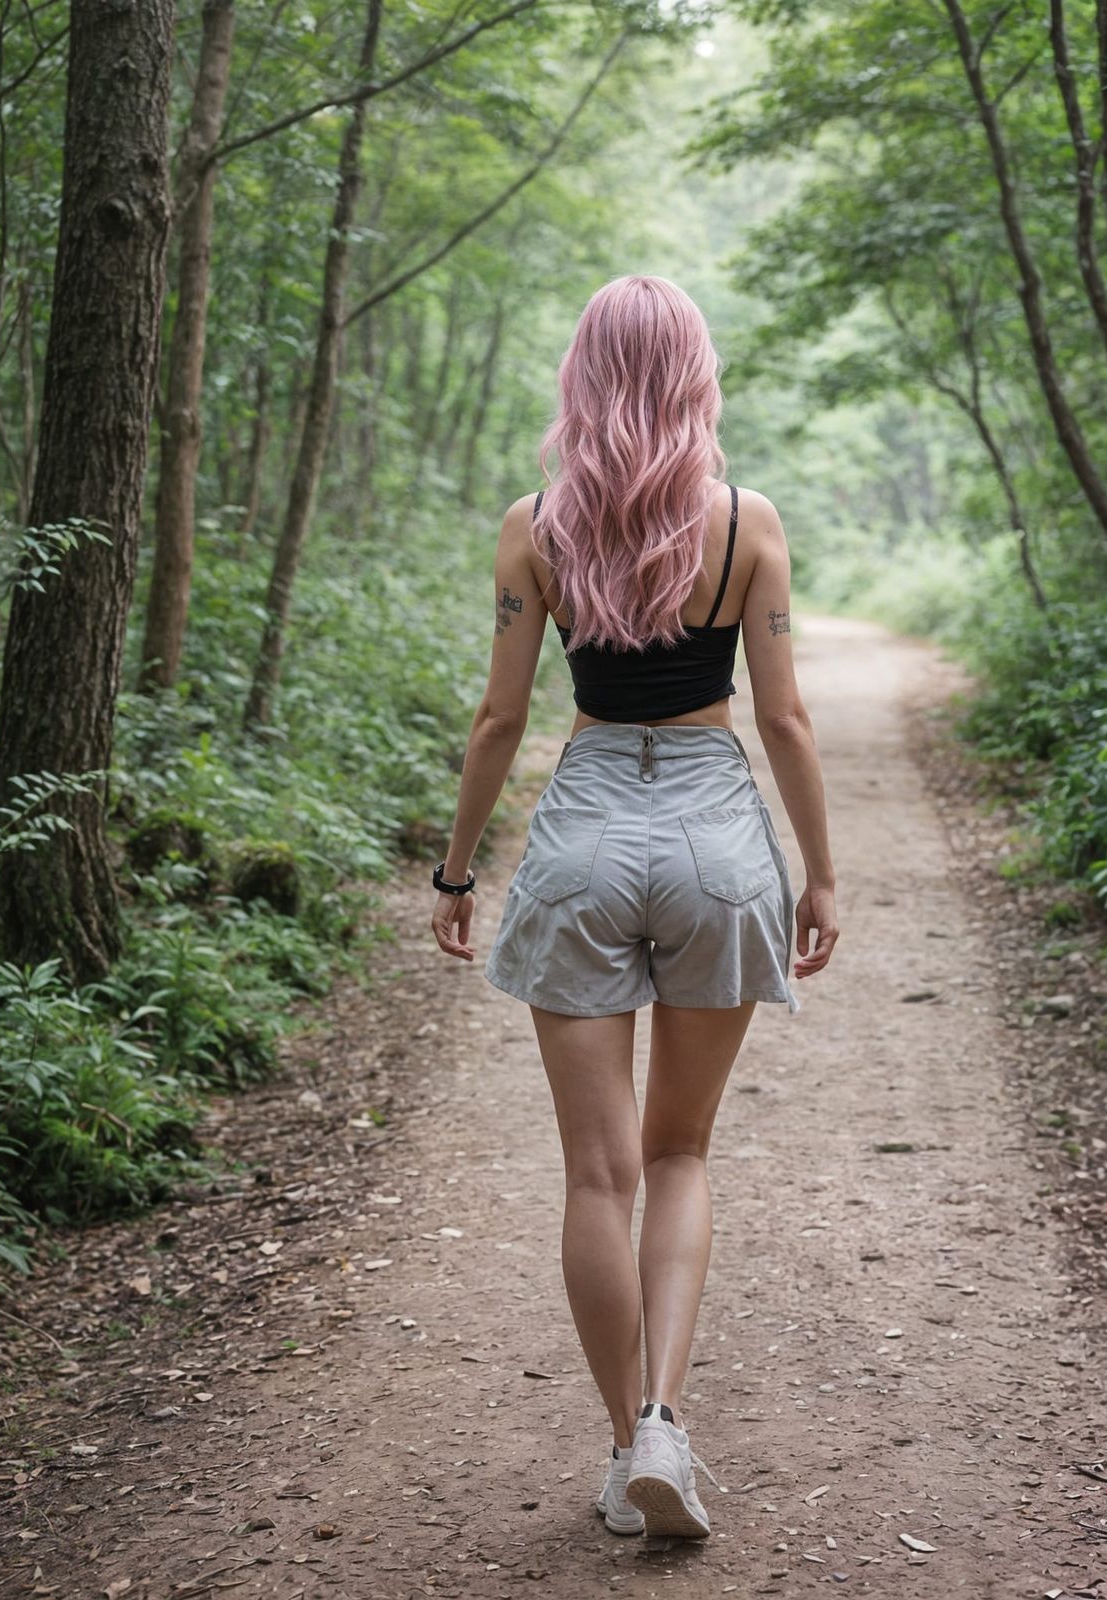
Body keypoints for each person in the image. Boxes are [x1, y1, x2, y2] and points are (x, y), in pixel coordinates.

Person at [430, 274, 839, 1541]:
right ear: (694, 377)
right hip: (717, 834)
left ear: (585, 377)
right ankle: (668, 1415)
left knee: (597, 1175)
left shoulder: (536, 524)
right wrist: (818, 873)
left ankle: (626, 1448)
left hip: (586, 831)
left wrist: (455, 871)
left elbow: (502, 717)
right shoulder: (743, 520)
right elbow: (783, 717)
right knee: (678, 1155)